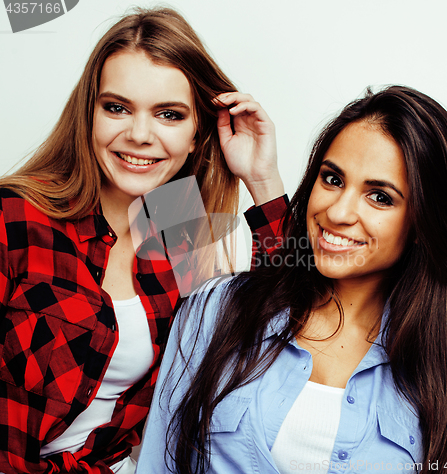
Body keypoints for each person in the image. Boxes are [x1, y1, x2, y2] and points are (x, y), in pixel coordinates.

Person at [137, 85, 447, 473]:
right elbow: (158, 462)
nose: (339, 211)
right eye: (332, 179)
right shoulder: (217, 309)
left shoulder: (442, 363)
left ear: (421, 224)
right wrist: (260, 179)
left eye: (380, 197)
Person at [0, 7, 286, 474]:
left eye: (169, 115)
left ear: (197, 134)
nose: (138, 135)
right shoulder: (15, 218)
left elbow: (289, 317)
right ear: (88, 114)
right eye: (117, 108)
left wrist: (263, 178)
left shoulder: (178, 223)